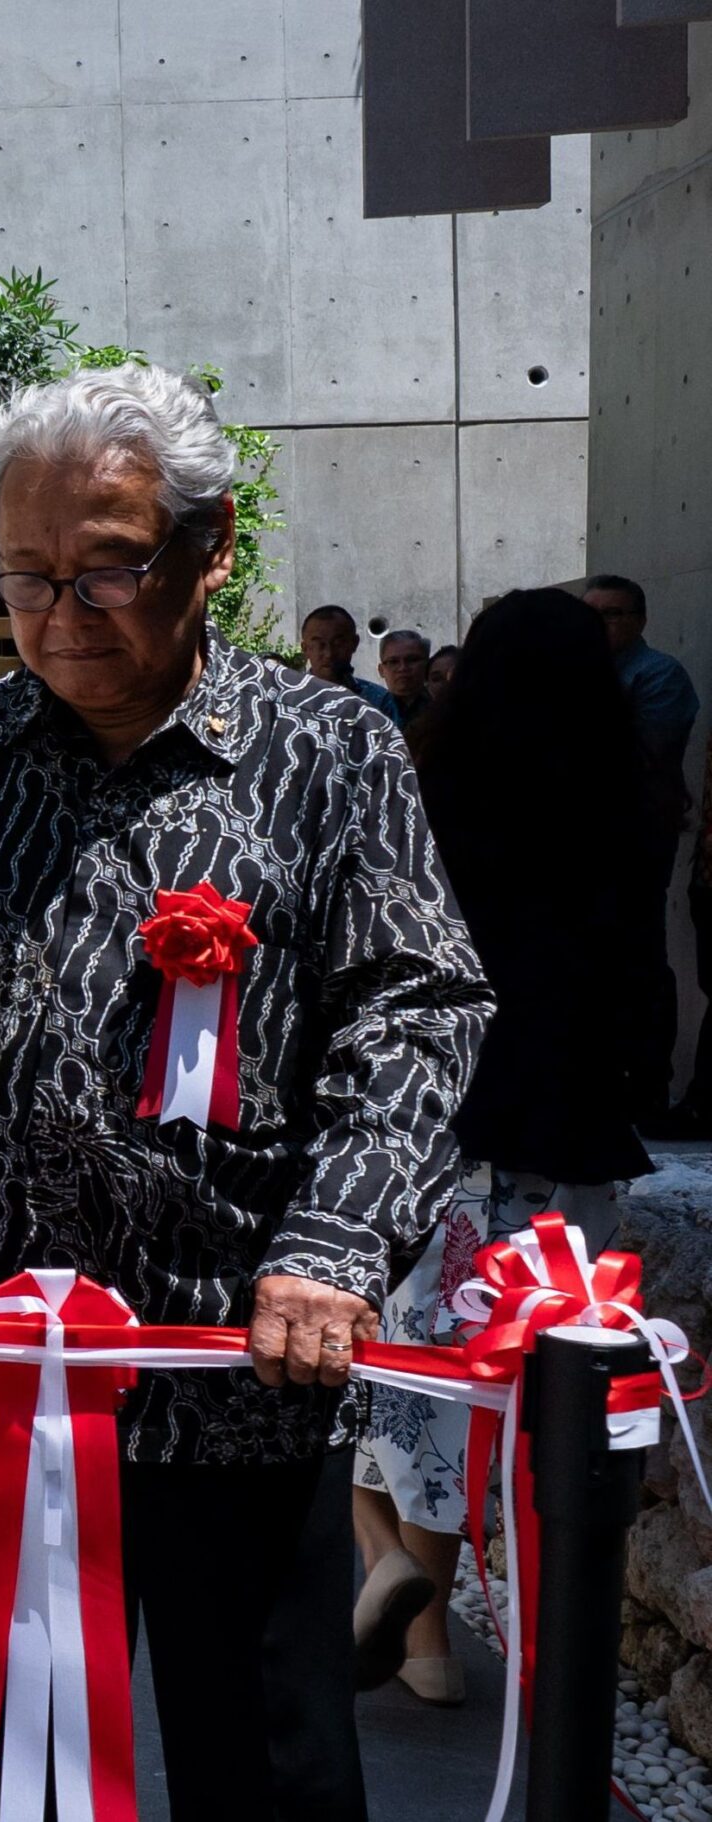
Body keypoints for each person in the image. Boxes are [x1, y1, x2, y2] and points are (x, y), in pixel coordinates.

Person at [0, 364, 490, 1822]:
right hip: (0, 1363)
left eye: (107, 568)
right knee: (33, 1752)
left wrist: (335, 1244)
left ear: (210, 545)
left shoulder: (328, 751)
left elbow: (419, 1006)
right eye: (27, 575)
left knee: (268, 1759)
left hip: (237, 1366)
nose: (63, 613)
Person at [352, 589, 653, 1705]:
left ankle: (397, 1587)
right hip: (570, 1144)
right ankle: (451, 1638)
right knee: (510, 1397)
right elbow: (635, 983)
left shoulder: (428, 788)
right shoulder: (627, 797)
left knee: (384, 1374)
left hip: (439, 1129)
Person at [587, 574, 701, 1133]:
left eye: (613, 614)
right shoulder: (577, 675)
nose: (601, 625)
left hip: (633, 842)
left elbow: (639, 757)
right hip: (581, 845)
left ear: (639, 620)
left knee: (639, 965)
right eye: (593, 614)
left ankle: (648, 1088)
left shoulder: (659, 675)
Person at [299, 603, 400, 717]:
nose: (329, 654)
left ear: (354, 643)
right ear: (305, 649)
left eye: (338, 644)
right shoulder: (288, 699)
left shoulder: (378, 700)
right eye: (320, 645)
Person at [375, 627, 431, 726]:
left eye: (412, 660)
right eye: (393, 662)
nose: (403, 668)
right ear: (381, 670)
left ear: (427, 665)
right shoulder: (370, 711)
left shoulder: (442, 707)